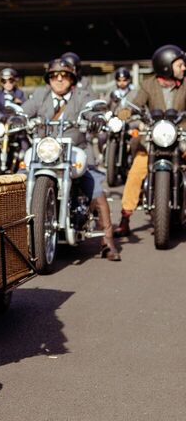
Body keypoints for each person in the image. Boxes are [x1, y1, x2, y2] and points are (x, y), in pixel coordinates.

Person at [22, 58, 120, 260]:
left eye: (64, 75)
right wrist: (16, 116)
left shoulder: (81, 95)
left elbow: (92, 110)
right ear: (48, 79)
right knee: (18, 180)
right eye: (54, 76)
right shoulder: (41, 94)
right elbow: (26, 109)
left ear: (72, 78)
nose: (59, 79)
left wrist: (96, 118)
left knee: (95, 186)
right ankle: (17, 235)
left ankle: (107, 241)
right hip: (45, 151)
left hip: (75, 149)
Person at [114, 44, 186, 237]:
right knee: (137, 169)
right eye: (180, 65)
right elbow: (135, 104)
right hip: (156, 137)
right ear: (166, 66)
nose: (184, 68)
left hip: (181, 136)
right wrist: (124, 113)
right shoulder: (148, 84)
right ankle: (125, 217)